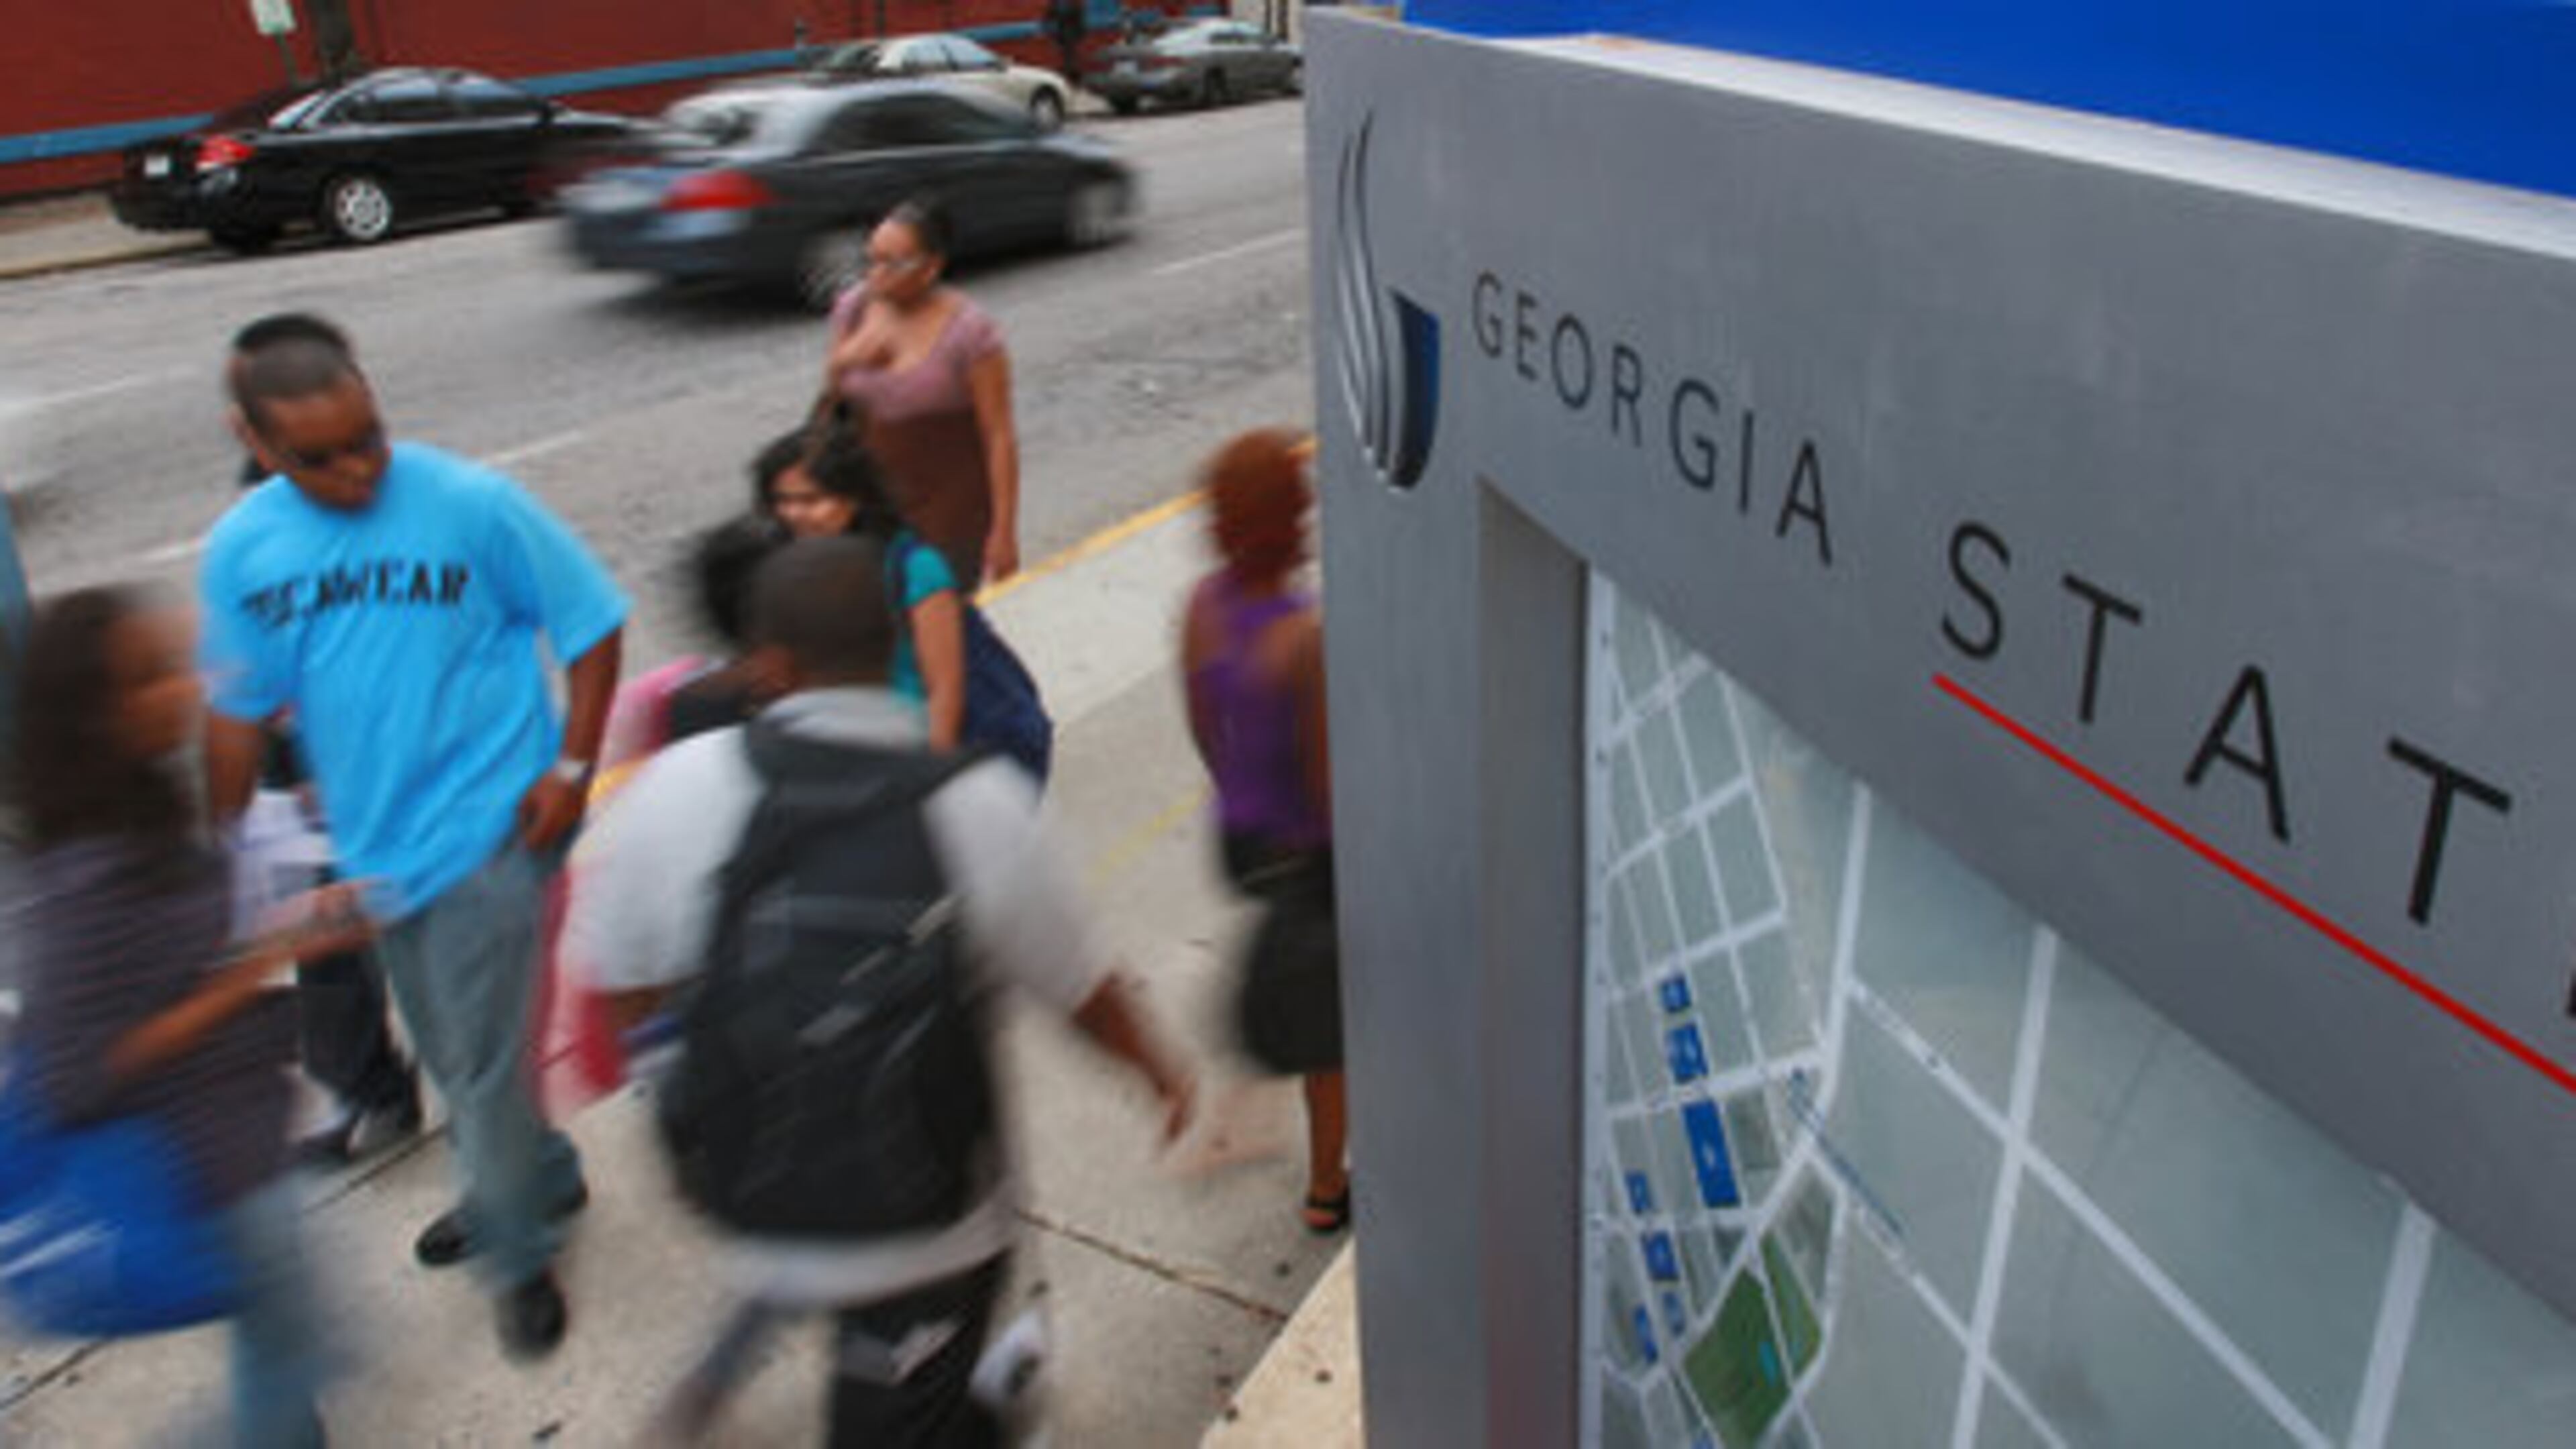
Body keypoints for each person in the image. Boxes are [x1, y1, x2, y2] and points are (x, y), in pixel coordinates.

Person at [566, 536, 1191, 1445]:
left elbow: (622, 982)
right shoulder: (974, 803)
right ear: (893, 645)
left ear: (769, 666)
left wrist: (680, 1094)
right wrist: (1161, 1074)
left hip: (757, 1198)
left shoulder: (677, 790)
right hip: (933, 1233)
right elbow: (1083, 991)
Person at [199, 313, 629, 1360]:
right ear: (257, 444)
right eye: (321, 457)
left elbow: (592, 625)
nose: (358, 469)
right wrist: (230, 853)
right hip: (374, 848)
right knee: (452, 1049)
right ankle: (539, 1173)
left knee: (478, 1067)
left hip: (495, 830)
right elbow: (237, 712)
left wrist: (571, 771)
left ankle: (516, 1256)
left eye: (370, 439)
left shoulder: (471, 503)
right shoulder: (244, 548)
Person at [13, 586, 373, 1446]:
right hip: (207, 1171)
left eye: (173, 667)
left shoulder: (141, 811)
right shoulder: (84, 881)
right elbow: (77, 1072)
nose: (184, 688)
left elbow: (172, 966)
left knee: (294, 1361)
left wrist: (294, 926)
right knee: (307, 1361)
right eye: (149, 679)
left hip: (245, 1140)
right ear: (89, 719)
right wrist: (250, 970)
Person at [221, 317, 425, 1169]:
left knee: (413, 930)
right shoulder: (260, 500)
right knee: (322, 939)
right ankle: (366, 1087)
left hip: (369, 757)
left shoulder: (390, 500)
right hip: (295, 759)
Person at [1179, 429, 1349, 1234]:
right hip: (1304, 851)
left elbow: (1201, 722)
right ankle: (1327, 1187)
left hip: (1238, 836)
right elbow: (1327, 784)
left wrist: (1238, 788)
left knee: (1289, 976)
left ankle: (1253, 1100)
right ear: (1286, 520)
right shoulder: (1305, 637)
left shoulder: (1204, 607)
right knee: (1330, 1034)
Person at [824, 198, 1023, 589]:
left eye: (893, 264)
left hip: (949, 512)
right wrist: (845, 360)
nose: (876, 275)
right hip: (872, 504)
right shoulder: (854, 308)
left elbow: (999, 436)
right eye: (871, 260)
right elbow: (832, 403)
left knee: (937, 611)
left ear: (931, 267)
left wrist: (1003, 531)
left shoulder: (970, 333)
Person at [753, 419, 972, 752]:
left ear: (855, 498)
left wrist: (931, 767)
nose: (793, 514)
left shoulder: (915, 567)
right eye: (783, 501)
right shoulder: (784, 569)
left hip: (903, 743)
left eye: (811, 500)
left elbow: (945, 690)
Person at [1043, 0, 1087, 84]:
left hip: (1069, 35)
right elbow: (1048, 19)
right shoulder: (1057, 5)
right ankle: (1071, 76)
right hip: (1064, 35)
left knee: (1070, 56)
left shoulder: (1073, 5)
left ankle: (1071, 76)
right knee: (1069, 56)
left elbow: (1081, 22)